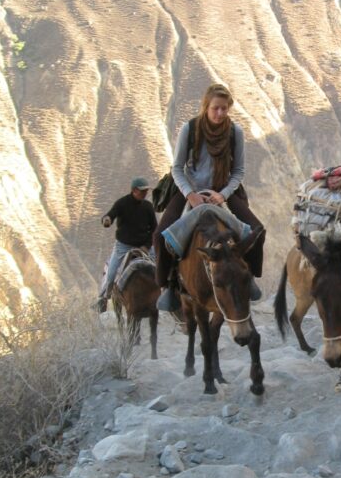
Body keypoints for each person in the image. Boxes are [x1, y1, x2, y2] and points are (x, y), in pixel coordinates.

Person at [154, 82, 266, 310]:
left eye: (224, 108)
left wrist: (223, 195)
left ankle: (249, 276)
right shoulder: (190, 129)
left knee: (257, 231)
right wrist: (190, 195)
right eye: (216, 108)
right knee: (160, 236)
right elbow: (177, 169)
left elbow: (238, 171)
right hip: (189, 189)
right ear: (206, 106)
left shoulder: (235, 133)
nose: (220, 113)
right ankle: (168, 286)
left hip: (222, 190)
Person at [97, 177, 157, 312]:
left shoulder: (148, 206)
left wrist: (147, 246)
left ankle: (167, 296)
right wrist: (106, 220)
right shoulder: (122, 203)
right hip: (123, 246)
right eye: (142, 191)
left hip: (145, 246)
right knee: (112, 273)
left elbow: (154, 229)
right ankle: (103, 299)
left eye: (146, 191)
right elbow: (110, 215)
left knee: (160, 268)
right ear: (134, 190)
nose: (145, 193)